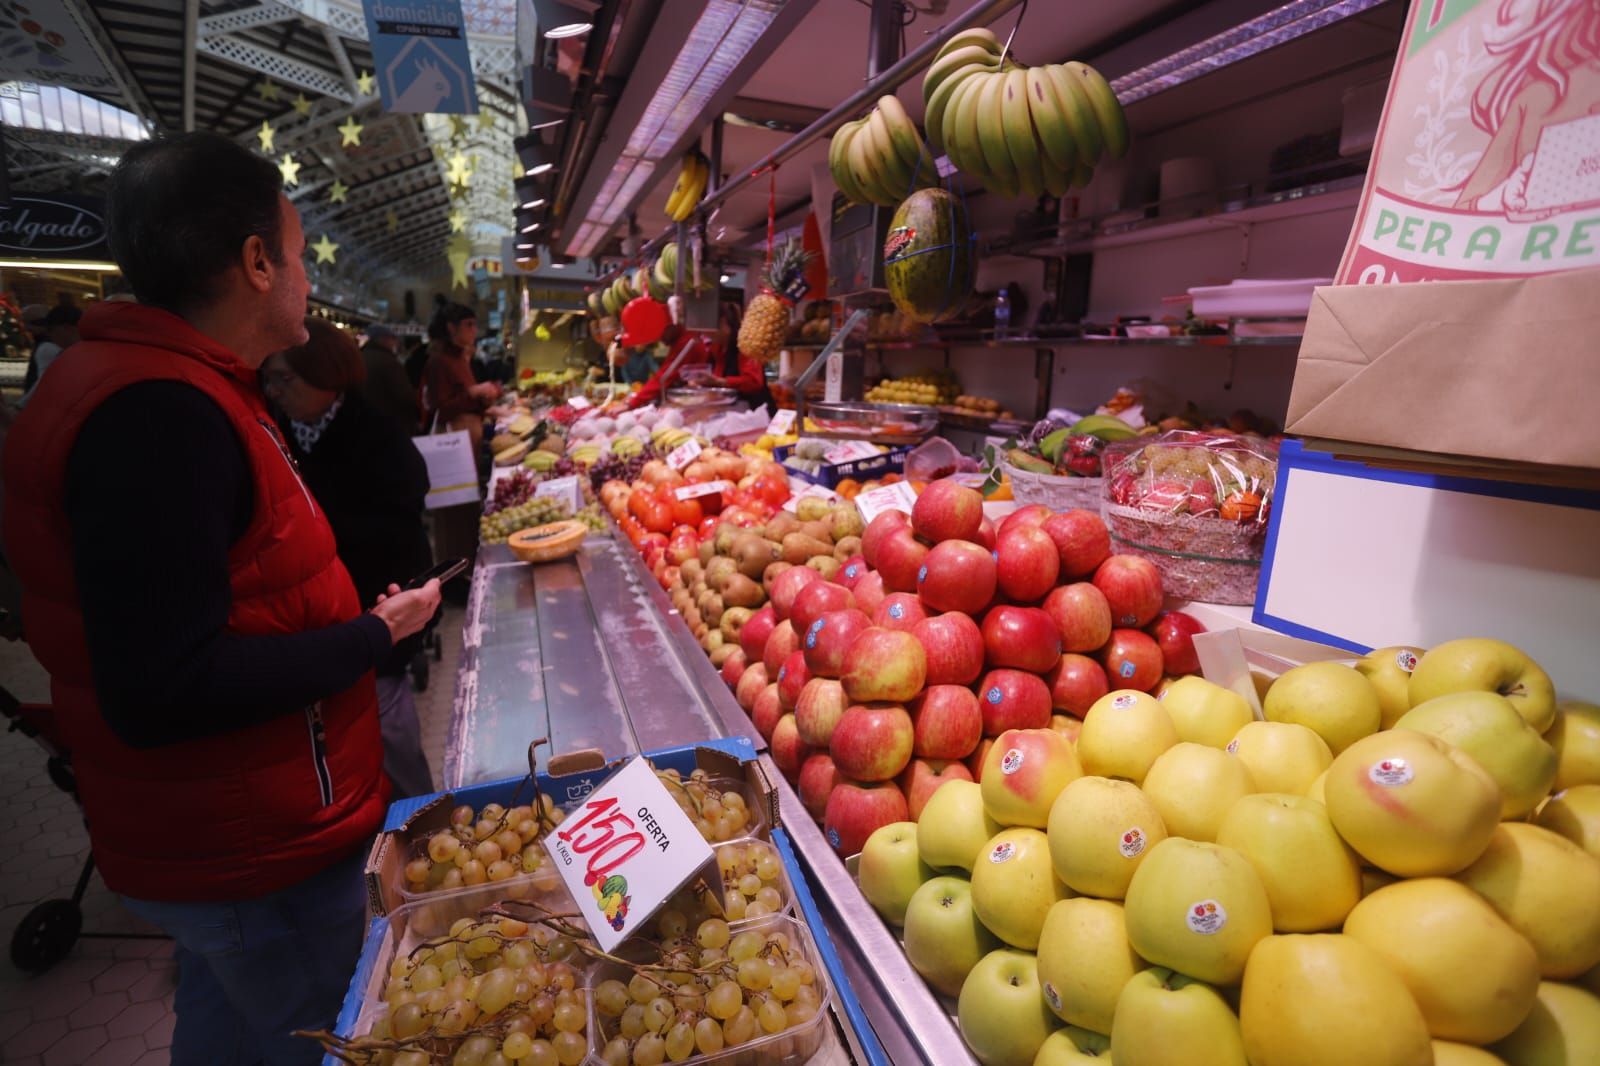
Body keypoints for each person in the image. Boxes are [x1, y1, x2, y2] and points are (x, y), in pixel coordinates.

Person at [1, 130, 439, 1066]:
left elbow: (220, 595)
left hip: (226, 835)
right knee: (320, 1035)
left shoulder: (172, 389)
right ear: (254, 262)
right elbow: (164, 685)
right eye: (296, 249)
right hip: (250, 849)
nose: (308, 277)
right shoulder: (157, 418)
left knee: (226, 1024)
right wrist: (367, 636)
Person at [263, 318, 436, 799]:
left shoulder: (375, 431)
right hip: (314, 620)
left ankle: (420, 821)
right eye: (270, 378)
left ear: (325, 372)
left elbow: (408, 503)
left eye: (286, 378)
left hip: (377, 597)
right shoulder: (273, 434)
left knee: (389, 724)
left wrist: (322, 529)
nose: (275, 390)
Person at [422, 302, 499, 592]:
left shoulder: (461, 358)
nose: (474, 330)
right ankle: (450, 580)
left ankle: (464, 570)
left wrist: (483, 399)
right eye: (468, 324)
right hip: (453, 441)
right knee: (452, 511)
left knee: (466, 508)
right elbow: (441, 406)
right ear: (451, 328)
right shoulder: (439, 361)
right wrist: (473, 393)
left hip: (468, 439)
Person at [627, 302, 770, 409]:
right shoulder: (717, 347)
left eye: (708, 329)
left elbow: (754, 382)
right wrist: (702, 383)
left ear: (723, 324)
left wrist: (720, 382)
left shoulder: (745, 347)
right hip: (734, 413)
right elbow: (716, 378)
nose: (705, 334)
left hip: (757, 414)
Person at [358, 324, 420, 434]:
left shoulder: (359, 357)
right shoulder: (389, 362)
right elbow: (405, 396)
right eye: (392, 339)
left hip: (364, 421)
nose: (394, 343)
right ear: (383, 339)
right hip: (389, 424)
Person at [17, 303, 80, 407]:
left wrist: (19, 407)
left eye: (28, 323)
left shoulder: (47, 347)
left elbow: (44, 382)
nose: (26, 328)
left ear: (66, 328)